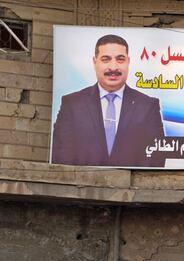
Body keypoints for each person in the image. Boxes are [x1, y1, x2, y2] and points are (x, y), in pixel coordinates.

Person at [51, 34, 166, 168]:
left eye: (120, 59)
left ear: (128, 62)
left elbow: (156, 158)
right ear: (95, 62)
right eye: (106, 59)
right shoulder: (72, 104)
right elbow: (61, 156)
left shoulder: (148, 106)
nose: (113, 67)